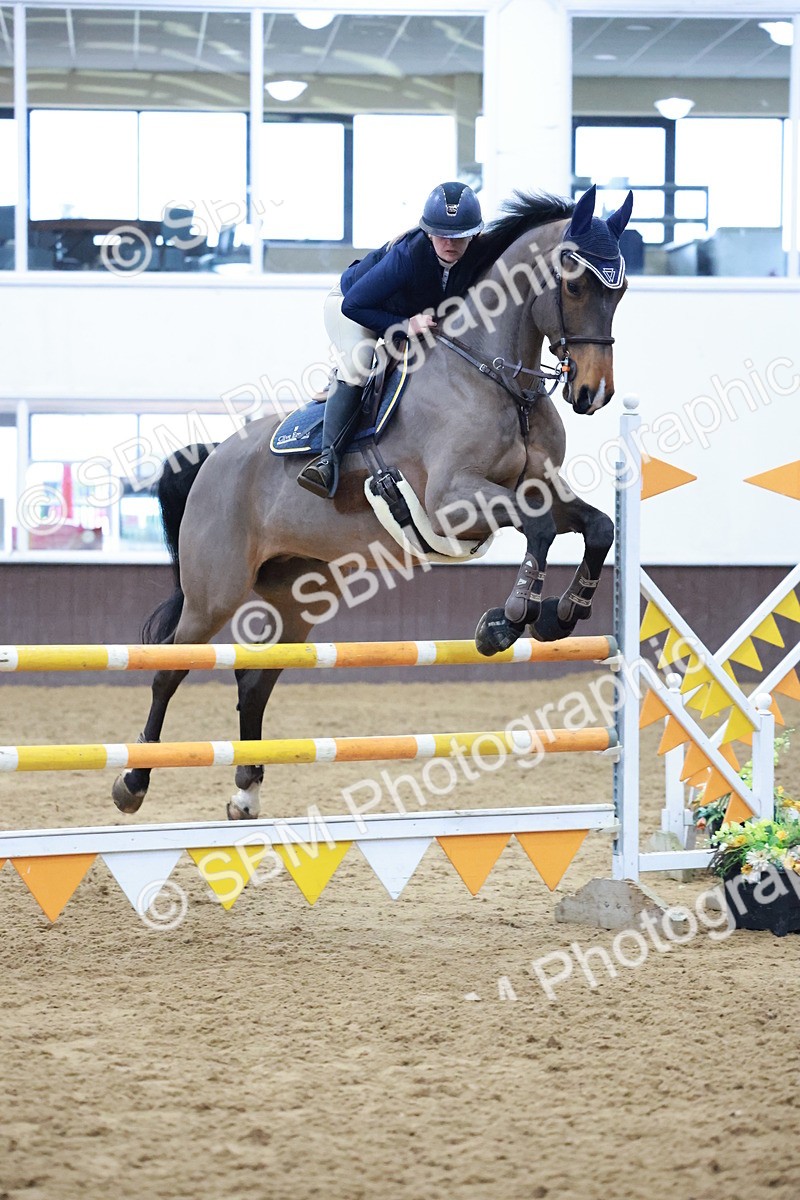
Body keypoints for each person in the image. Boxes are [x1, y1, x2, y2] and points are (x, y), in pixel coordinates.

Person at [297, 180, 483, 498]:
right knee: (360, 364)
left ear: (474, 234)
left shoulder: (476, 257)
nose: (450, 243)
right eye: (441, 234)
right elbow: (353, 305)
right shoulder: (408, 256)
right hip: (351, 305)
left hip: (399, 312)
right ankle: (327, 461)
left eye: (459, 236)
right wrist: (403, 324)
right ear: (427, 231)